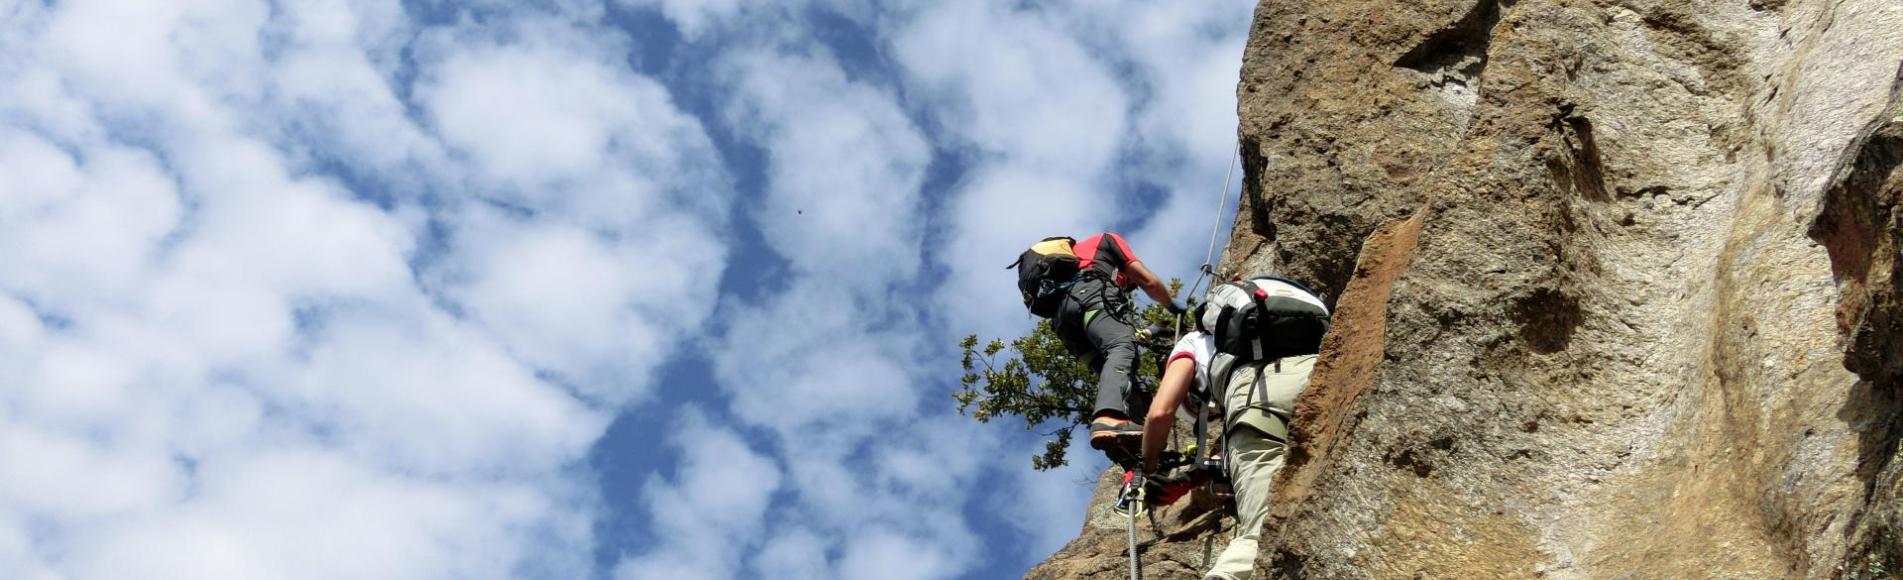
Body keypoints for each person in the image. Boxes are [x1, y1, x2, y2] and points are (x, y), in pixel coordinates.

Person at [1140, 328, 1316, 580]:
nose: (1213, 413)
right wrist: (1193, 478)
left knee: (1260, 532)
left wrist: (1147, 466)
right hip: (1312, 365)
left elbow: (1159, 413)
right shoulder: (1245, 331)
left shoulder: (1189, 344)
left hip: (1252, 393)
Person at [1048, 232, 1184, 463]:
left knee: (1125, 376)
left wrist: (1154, 329)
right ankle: (1109, 417)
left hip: (1064, 323)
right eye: (1128, 285)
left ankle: (1134, 454)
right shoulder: (1105, 240)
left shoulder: (1069, 263)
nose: (1126, 287)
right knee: (1122, 349)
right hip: (1089, 295)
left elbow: (1126, 336)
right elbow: (1147, 281)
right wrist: (1172, 307)